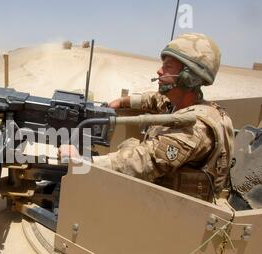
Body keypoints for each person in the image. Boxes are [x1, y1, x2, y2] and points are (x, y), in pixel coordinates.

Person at [60, 33, 234, 202]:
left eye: (168, 67)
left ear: (188, 77)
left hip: (174, 212)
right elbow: (154, 99)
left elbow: (144, 161)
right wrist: (123, 101)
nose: (159, 71)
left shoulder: (195, 127)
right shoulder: (178, 104)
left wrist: (83, 161)